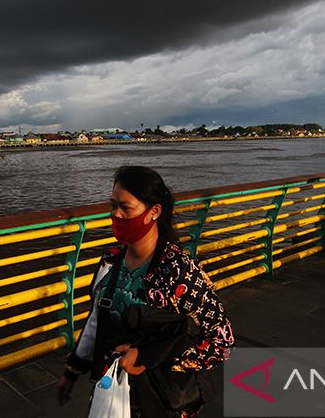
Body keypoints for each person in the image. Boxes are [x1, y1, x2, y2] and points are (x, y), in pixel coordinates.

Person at [57, 166, 235, 417]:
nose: (115, 215)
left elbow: (221, 342)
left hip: (161, 399)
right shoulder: (111, 262)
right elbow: (97, 320)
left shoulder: (179, 270)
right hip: (110, 392)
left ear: (154, 212)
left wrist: (146, 355)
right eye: (112, 205)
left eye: (125, 208)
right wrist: (72, 371)